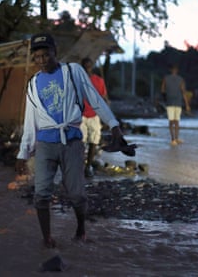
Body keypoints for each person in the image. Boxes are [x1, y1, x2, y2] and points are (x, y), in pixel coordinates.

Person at [15, 33, 128, 248]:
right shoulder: (33, 84)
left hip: (72, 141)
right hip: (45, 145)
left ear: (55, 53)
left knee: (76, 193)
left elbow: (94, 99)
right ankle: (47, 238)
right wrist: (23, 153)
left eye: (45, 55)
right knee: (41, 195)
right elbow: (30, 122)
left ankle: (81, 229)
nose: (41, 60)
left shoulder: (73, 71)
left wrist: (113, 124)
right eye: (37, 57)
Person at [79, 57, 109, 178]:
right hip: (80, 115)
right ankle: (80, 166)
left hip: (94, 115)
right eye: (85, 67)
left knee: (94, 141)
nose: (87, 69)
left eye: (89, 66)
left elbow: (104, 98)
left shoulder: (99, 81)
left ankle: (88, 166)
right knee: (80, 143)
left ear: (92, 67)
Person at [161, 63, 191, 146]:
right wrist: (187, 104)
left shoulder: (166, 78)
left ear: (171, 70)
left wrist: (165, 98)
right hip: (177, 102)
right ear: (177, 71)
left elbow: (162, 90)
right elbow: (183, 92)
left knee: (172, 121)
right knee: (175, 121)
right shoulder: (180, 79)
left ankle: (174, 139)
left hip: (171, 102)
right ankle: (174, 139)